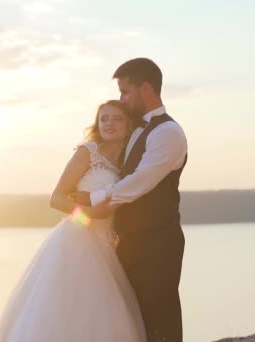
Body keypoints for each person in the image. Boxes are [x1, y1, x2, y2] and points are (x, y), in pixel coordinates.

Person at [0, 100, 146, 342]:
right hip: (75, 239)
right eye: (104, 118)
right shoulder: (88, 152)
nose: (109, 123)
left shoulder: (127, 164)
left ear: (128, 126)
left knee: (97, 311)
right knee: (64, 308)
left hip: (105, 245)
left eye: (117, 118)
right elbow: (56, 198)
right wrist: (90, 213)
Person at [72, 58, 188, 341]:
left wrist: (93, 196)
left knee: (160, 318)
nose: (121, 99)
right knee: (132, 321)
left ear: (145, 88)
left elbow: (139, 182)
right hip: (127, 243)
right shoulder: (135, 130)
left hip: (157, 243)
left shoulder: (168, 132)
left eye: (125, 91)